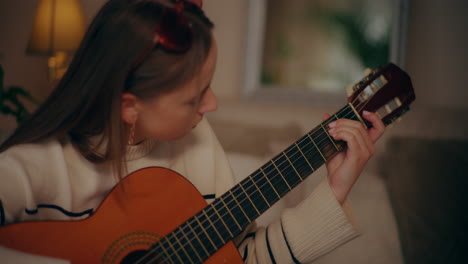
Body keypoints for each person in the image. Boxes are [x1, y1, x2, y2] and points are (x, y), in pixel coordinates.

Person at [0, 0, 385, 263]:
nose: (212, 104)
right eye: (195, 97)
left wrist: (334, 191)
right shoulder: (33, 166)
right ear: (129, 106)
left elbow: (240, 257)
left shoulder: (197, 143)